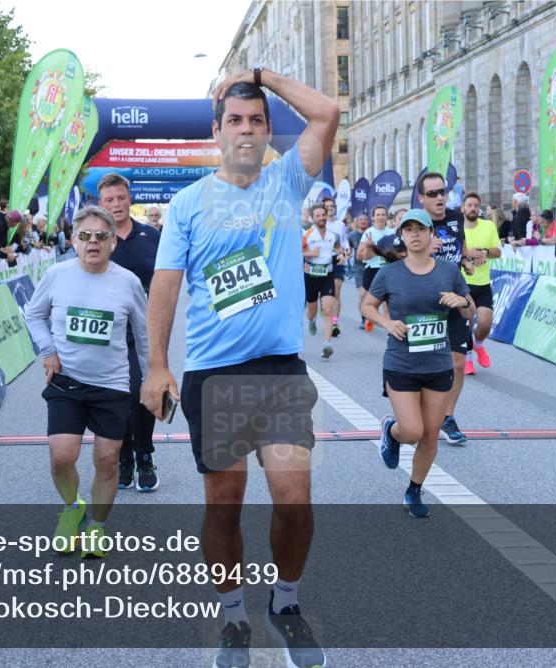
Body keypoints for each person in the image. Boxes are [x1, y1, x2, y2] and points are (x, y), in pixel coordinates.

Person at [141, 69, 337, 668]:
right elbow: (166, 288)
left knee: (293, 500)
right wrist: (156, 367)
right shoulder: (187, 204)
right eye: (235, 121)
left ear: (268, 129)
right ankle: (232, 617)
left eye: (256, 121)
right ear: (217, 131)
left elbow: (327, 112)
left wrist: (260, 78)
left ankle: (285, 604)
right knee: (223, 505)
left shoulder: (285, 182)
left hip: (279, 372)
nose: (246, 131)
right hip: (215, 374)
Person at [23, 206, 147, 559]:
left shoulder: (128, 282)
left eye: (102, 236)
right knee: (62, 457)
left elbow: (143, 331)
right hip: (67, 382)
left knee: (107, 462)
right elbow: (33, 314)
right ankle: (73, 506)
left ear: (113, 243)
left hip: (111, 385)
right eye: (86, 236)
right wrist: (48, 350)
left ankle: (96, 527)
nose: (93, 242)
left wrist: (153, 375)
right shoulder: (57, 275)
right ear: (73, 240)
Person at [361, 209, 474, 518]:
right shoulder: (389, 273)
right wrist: (386, 322)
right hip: (401, 364)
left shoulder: (449, 271)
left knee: (429, 435)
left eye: (420, 229)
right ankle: (391, 430)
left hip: (438, 365)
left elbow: (470, 311)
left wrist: (461, 302)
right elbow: (368, 306)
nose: (414, 234)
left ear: (430, 235)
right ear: (403, 236)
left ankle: (413, 489)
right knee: (411, 431)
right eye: (408, 229)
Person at [98, 172, 162, 492]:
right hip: (106, 334)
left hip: (143, 331)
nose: (116, 204)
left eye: (121, 197)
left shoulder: (151, 235)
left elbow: (168, 278)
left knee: (141, 392)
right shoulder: (93, 238)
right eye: (109, 199)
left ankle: (144, 455)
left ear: (130, 199)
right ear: (101, 203)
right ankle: (123, 457)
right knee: (116, 397)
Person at [416, 172, 474, 446]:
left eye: (443, 192)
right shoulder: (414, 224)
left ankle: (448, 417)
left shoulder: (455, 217)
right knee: (424, 364)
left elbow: (460, 244)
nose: (440, 197)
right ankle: (418, 412)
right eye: (433, 194)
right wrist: (424, 249)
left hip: (456, 294)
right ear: (421, 198)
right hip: (424, 300)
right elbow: (394, 256)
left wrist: (466, 260)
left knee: (458, 363)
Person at [460, 192, 501, 376]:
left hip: (483, 283)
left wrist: (485, 252)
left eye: (476, 205)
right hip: (462, 283)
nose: (473, 208)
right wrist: (468, 254)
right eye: (469, 205)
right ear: (463, 208)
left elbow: (497, 251)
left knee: (485, 323)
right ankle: (468, 358)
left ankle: (479, 344)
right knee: (466, 324)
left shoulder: (488, 226)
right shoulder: (458, 228)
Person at [302, 202, 341, 358]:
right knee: (312, 311)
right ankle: (311, 320)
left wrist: (342, 256)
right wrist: (311, 253)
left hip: (327, 275)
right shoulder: (307, 234)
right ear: (312, 218)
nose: (321, 218)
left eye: (323, 215)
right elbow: (298, 251)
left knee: (327, 309)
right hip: (311, 275)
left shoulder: (333, 235)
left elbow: (339, 250)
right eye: (317, 215)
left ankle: (327, 344)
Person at [357, 205, 396, 332]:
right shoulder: (368, 233)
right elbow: (361, 257)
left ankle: (389, 332)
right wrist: (371, 248)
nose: (380, 217)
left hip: (389, 270)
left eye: (383, 214)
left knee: (388, 304)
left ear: (386, 216)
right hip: (372, 270)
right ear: (373, 217)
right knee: (369, 301)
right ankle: (367, 318)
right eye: (378, 215)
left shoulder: (392, 233)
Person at [321, 195, 349, 337]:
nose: (330, 208)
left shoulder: (340, 225)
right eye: (328, 206)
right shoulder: (318, 224)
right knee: (325, 293)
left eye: (332, 206)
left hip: (336, 259)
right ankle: (326, 313)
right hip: (321, 261)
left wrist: (345, 255)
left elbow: (345, 244)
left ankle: (334, 323)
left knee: (337, 291)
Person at [348, 213, 370, 329]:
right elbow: (346, 248)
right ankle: (363, 319)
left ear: (368, 221)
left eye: (365, 219)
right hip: (358, 269)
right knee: (363, 294)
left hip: (372, 267)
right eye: (360, 219)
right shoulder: (352, 235)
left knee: (371, 296)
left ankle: (370, 315)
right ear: (357, 221)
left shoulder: (372, 233)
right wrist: (345, 255)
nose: (362, 221)